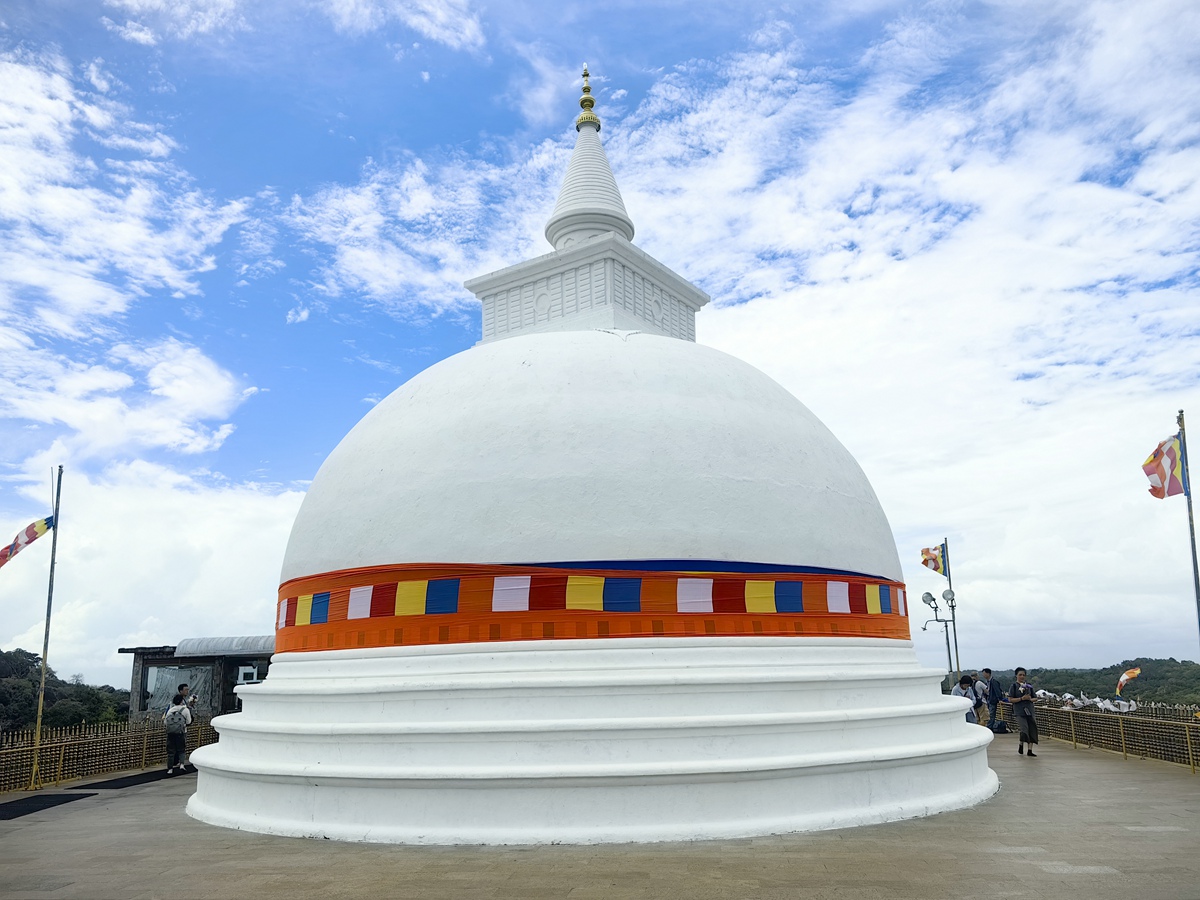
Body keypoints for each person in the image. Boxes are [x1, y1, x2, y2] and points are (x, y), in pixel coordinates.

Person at [1009, 667, 1038, 757]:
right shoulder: (1013, 686)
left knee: (1032, 728)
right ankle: (1021, 743)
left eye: (1023, 675)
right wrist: (1021, 699)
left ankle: (1030, 750)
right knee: (1024, 728)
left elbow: (1035, 698)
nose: (1022, 677)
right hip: (1019, 711)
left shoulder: (1029, 686)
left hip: (1029, 710)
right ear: (1016, 676)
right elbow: (1010, 699)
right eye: (1020, 675)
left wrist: (1030, 699)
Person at [164, 692, 193, 775]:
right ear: (181, 701)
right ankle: (182, 765)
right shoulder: (185, 710)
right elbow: (189, 721)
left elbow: (165, 722)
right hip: (181, 732)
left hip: (171, 733)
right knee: (181, 749)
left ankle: (170, 769)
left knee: (170, 751)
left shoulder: (170, 710)